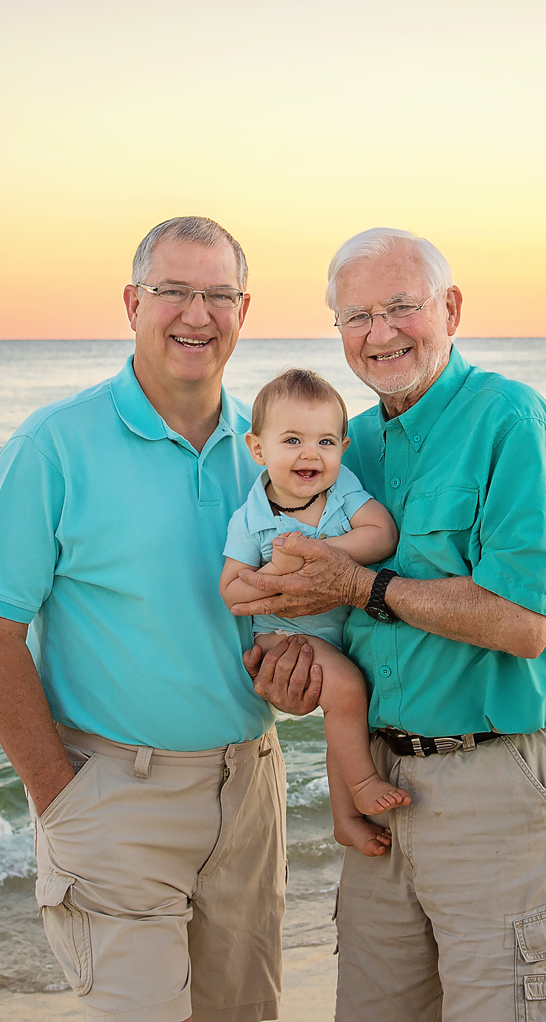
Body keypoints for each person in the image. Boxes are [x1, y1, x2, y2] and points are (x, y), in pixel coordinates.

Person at [236, 227, 546, 1021]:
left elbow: (525, 623)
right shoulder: (348, 444)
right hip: (380, 785)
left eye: (402, 306)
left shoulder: (513, 420)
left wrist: (366, 584)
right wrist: (298, 670)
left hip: (500, 785)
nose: (380, 332)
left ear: (451, 308)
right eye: (356, 315)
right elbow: (339, 615)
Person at [0, 216, 312, 1022]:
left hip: (249, 790)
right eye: (173, 291)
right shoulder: (54, 444)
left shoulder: (273, 450)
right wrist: (61, 796)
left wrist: (295, 670)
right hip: (115, 796)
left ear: (243, 309)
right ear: (132, 303)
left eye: (218, 294)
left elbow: (295, 605)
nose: (197, 313)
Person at [220, 367, 409, 859]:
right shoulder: (252, 518)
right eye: (291, 440)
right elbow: (232, 591)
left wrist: (322, 550)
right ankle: (364, 785)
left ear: (343, 447)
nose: (310, 454)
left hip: (335, 634)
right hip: (279, 636)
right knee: (346, 691)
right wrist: (280, 570)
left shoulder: (342, 489)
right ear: (258, 449)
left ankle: (345, 819)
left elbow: (381, 534)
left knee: (345, 720)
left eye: (326, 441)